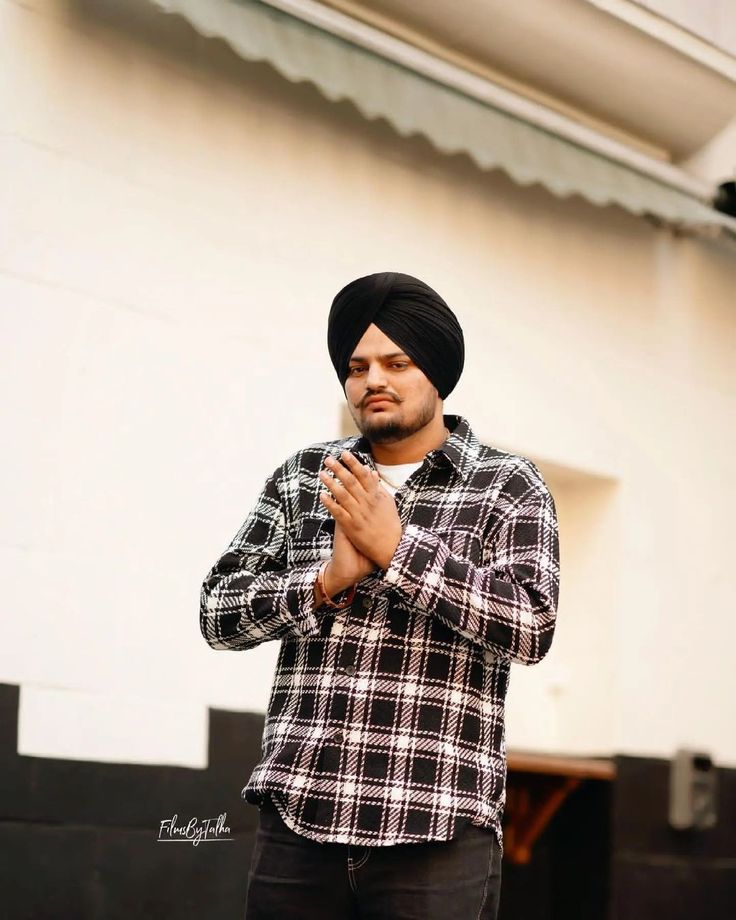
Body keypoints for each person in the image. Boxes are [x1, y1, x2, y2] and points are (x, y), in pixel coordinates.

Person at [200, 271, 560, 919]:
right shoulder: (306, 477)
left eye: (397, 361)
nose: (374, 380)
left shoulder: (509, 485)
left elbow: (531, 625)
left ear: (438, 372)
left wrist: (398, 551)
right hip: (300, 818)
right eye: (357, 365)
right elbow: (218, 611)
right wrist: (324, 583)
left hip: (436, 827)